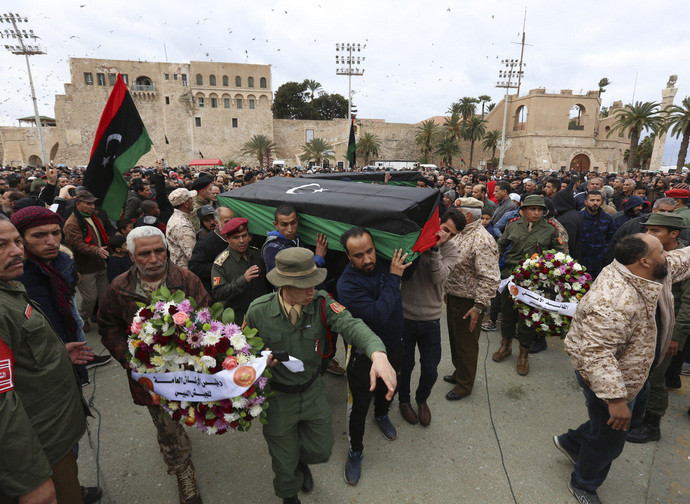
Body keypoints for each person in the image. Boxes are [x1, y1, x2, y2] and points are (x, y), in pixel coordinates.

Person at [244, 247, 396, 504]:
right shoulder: (258, 311)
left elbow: (352, 325)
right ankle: (289, 494)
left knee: (321, 449)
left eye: (314, 282)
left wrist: (377, 353)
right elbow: (243, 350)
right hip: (278, 396)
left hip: (313, 391)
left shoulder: (322, 303)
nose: (312, 290)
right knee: (283, 459)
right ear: (284, 284)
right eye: (304, 285)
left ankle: (301, 461)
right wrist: (257, 362)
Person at [556, 233, 690, 504]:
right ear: (644, 261)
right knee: (610, 440)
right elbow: (597, 354)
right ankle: (584, 484)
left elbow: (680, 260)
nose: (668, 254)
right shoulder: (613, 299)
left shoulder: (649, 271)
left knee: (628, 421)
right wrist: (616, 401)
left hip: (636, 373)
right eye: (661, 252)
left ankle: (572, 443)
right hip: (609, 384)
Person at [98, 225, 211, 504]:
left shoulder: (186, 280)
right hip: (149, 377)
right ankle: (183, 471)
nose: (153, 259)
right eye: (144, 253)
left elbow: (207, 318)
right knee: (166, 427)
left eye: (159, 251)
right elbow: (108, 327)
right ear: (131, 256)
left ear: (167, 250)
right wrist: (130, 358)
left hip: (188, 371)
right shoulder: (120, 287)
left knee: (188, 413)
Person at [0, 215, 91, 504]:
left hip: (54, 433)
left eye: (16, 241)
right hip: (38, 449)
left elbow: (18, 353)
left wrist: (55, 353)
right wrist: (30, 479)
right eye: (1, 245)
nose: (16, 251)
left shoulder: (9, 287)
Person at [337, 227, 410, 485]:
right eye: (359, 255)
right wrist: (393, 278)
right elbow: (378, 314)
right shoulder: (347, 284)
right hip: (364, 356)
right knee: (358, 406)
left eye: (370, 251)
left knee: (389, 389)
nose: (367, 259)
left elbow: (413, 261)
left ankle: (382, 414)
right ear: (348, 256)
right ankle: (355, 451)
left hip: (395, 346)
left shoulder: (385, 263)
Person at [626, 213, 690, 443]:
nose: (648, 234)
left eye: (656, 231)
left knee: (656, 376)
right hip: (646, 324)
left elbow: (688, 304)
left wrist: (675, 337)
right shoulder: (649, 254)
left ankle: (652, 425)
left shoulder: (681, 260)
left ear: (674, 234)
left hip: (667, 329)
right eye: (648, 230)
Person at [399, 209, 462, 425]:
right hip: (405, 315)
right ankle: (404, 401)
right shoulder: (415, 240)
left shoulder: (451, 250)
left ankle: (422, 399)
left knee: (431, 369)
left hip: (431, 319)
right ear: (437, 223)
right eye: (444, 229)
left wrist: (435, 248)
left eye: (451, 234)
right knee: (405, 365)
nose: (446, 236)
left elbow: (438, 278)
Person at [493, 194, 565, 374]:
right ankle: (506, 346)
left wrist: (548, 270)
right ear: (523, 210)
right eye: (532, 209)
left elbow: (559, 254)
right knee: (508, 315)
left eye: (540, 210)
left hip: (533, 281)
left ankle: (523, 355)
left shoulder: (550, 230)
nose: (536, 213)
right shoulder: (513, 225)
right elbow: (501, 245)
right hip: (511, 277)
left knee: (527, 318)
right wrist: (494, 265)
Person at [444, 201, 501, 398]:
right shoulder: (461, 232)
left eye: (458, 212)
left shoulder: (481, 239)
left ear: (467, 216)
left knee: (466, 344)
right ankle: (459, 372)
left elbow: (490, 277)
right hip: (454, 295)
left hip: (469, 301)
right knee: (455, 340)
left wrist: (478, 306)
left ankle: (464, 385)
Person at [63, 190, 110, 333]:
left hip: (100, 263)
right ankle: (82, 319)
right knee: (90, 299)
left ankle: (106, 321)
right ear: (78, 204)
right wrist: (96, 250)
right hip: (85, 267)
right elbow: (77, 245)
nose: (92, 206)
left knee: (105, 297)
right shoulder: (72, 223)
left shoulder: (93, 217)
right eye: (88, 203)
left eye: (93, 203)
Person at [211, 217, 269, 325]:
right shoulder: (221, 264)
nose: (241, 241)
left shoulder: (257, 254)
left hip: (261, 314)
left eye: (244, 236)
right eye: (236, 237)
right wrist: (243, 279)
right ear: (227, 239)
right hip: (237, 320)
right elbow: (218, 293)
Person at [262, 204, 327, 273]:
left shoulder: (296, 239)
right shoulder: (272, 249)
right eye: (284, 225)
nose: (290, 230)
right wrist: (318, 259)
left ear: (298, 220)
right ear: (276, 225)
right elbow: (287, 279)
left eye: (293, 223)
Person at [189, 206, 235, 294]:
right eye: (226, 222)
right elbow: (194, 267)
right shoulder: (205, 243)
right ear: (217, 224)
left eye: (233, 220)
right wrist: (220, 268)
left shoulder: (237, 237)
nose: (231, 224)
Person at [579, 191, 616, 279]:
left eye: (598, 200)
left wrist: (605, 255)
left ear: (601, 202)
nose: (595, 203)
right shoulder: (578, 218)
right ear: (586, 202)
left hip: (600, 262)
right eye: (592, 200)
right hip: (581, 261)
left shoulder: (608, 219)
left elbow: (612, 239)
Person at [166, 187, 197, 269]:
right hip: (184, 272)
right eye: (191, 199)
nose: (193, 200)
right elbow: (193, 254)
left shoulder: (179, 218)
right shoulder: (182, 225)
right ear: (186, 203)